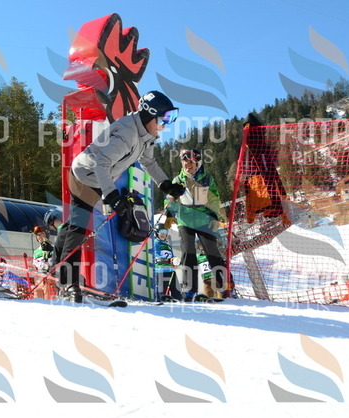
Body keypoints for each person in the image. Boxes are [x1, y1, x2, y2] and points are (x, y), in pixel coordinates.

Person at [54, 91, 186, 302]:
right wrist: (113, 196)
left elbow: (148, 162)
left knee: (73, 224)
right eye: (163, 119)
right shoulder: (127, 134)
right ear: (148, 115)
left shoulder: (146, 134)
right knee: (79, 227)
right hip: (85, 175)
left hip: (98, 179)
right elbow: (101, 164)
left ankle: (56, 268)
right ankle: (67, 281)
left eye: (169, 119)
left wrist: (165, 184)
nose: (165, 125)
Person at [164, 148, 231, 301]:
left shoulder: (207, 179)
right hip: (185, 220)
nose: (188, 165)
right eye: (185, 162)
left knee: (212, 253)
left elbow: (214, 199)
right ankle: (189, 290)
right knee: (188, 253)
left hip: (204, 219)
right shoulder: (177, 180)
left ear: (197, 164)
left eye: (191, 163)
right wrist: (169, 215)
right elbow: (170, 199)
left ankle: (224, 287)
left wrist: (214, 217)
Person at [154, 223, 180, 300]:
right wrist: (170, 261)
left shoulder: (168, 245)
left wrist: (175, 261)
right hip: (161, 271)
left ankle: (178, 302)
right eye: (161, 232)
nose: (163, 234)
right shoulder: (156, 243)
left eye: (164, 232)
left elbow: (172, 256)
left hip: (171, 270)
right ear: (157, 233)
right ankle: (161, 301)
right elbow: (157, 257)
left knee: (177, 292)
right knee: (162, 292)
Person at [32, 226, 56, 299]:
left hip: (51, 278)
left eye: (42, 234)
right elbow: (35, 264)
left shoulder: (54, 248)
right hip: (39, 279)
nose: (40, 236)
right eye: (38, 235)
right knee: (37, 298)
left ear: (46, 235)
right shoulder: (36, 251)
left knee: (49, 297)